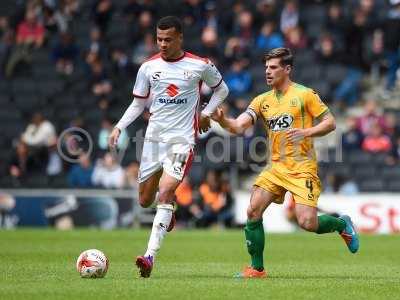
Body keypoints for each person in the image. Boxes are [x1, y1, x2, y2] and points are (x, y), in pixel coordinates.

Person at [211, 47, 359, 279]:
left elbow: (330, 123)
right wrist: (222, 120)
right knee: (253, 210)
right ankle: (257, 269)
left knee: (307, 223)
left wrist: (306, 132)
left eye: (273, 67)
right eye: (266, 68)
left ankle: (341, 224)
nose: (268, 72)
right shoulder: (262, 101)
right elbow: (239, 126)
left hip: (302, 167)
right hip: (277, 167)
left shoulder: (305, 94)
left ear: (287, 69)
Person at [108, 16, 229, 278]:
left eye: (168, 39)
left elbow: (222, 90)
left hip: (182, 141)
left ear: (180, 38)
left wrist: (206, 113)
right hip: (153, 141)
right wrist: (119, 126)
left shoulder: (199, 65)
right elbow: (138, 104)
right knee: (144, 201)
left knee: (165, 192)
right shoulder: (148, 68)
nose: (162, 44)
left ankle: (149, 256)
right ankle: (167, 216)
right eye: (159, 39)